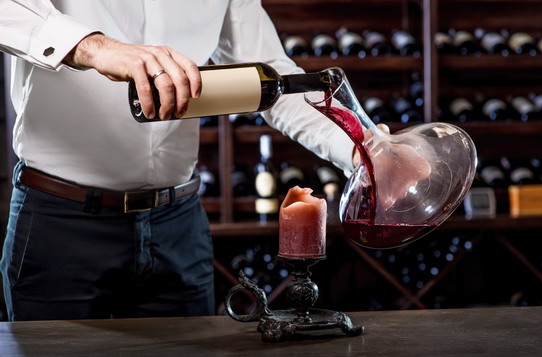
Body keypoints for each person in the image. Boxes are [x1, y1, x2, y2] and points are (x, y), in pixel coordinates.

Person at [0, 1, 359, 321]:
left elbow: (272, 77)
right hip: (60, 224)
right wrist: (95, 47)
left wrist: (361, 150)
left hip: (178, 226)